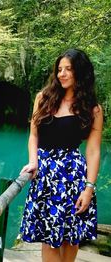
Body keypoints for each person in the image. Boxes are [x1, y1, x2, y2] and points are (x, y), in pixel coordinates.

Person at [19, 48, 103, 262]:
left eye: (68, 69)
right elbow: (33, 136)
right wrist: (33, 161)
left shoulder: (92, 109)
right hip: (46, 176)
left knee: (70, 237)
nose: (62, 74)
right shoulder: (43, 98)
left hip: (73, 177)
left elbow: (93, 151)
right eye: (59, 69)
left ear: (80, 73)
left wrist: (89, 189)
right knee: (49, 237)